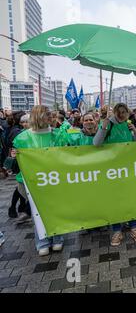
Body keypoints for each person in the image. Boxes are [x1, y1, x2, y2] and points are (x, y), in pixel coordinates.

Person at [13, 105, 65, 256]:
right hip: (30, 182)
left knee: (56, 209)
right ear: (38, 116)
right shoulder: (22, 138)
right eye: (47, 114)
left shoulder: (58, 135)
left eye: (51, 114)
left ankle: (57, 238)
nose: (51, 116)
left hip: (54, 180)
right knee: (38, 210)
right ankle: (42, 241)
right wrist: (13, 155)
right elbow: (12, 163)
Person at [93, 103, 136, 247]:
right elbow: (96, 143)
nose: (122, 114)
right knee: (114, 199)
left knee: (131, 198)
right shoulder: (108, 124)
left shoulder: (129, 125)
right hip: (112, 171)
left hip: (128, 169)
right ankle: (117, 231)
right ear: (114, 112)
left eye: (124, 112)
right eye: (119, 112)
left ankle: (134, 227)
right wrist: (103, 128)